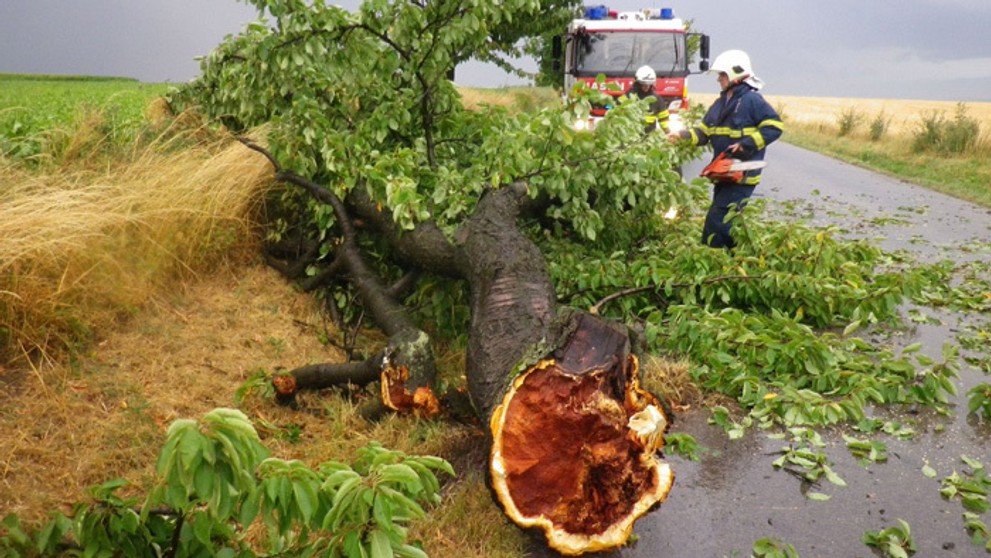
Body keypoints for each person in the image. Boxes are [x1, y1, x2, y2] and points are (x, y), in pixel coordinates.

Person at [668, 50, 783, 249]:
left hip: (742, 175)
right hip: (724, 174)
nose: (719, 80)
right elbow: (703, 133)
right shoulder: (720, 104)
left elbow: (775, 127)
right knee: (728, 222)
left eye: (722, 75)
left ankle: (713, 258)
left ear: (734, 74)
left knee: (717, 221)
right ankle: (733, 258)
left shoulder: (752, 101)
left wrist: (745, 145)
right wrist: (682, 136)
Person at [626, 65, 670, 133]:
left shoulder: (656, 98)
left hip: (649, 137)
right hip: (631, 135)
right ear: (638, 83)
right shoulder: (629, 96)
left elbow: (663, 118)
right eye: (643, 83)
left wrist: (668, 133)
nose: (646, 86)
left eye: (649, 84)